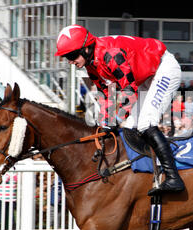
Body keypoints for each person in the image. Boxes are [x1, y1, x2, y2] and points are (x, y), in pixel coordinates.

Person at [55, 24, 184, 196]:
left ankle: (174, 177)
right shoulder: (91, 64)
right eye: (66, 57)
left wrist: (114, 120)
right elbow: (105, 94)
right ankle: (150, 172)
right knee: (130, 126)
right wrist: (106, 122)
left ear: (86, 48)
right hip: (145, 76)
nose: (70, 61)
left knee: (146, 123)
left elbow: (129, 91)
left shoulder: (111, 55)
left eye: (71, 55)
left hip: (163, 69)